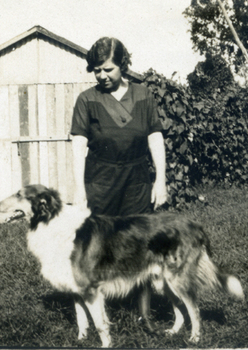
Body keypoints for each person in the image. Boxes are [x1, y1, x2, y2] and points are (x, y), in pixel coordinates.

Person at [70, 37, 167, 332]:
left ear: (122, 65)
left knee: (142, 246)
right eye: (96, 70)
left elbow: (155, 138)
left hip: (137, 179)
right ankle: (97, 313)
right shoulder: (87, 100)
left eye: (108, 69)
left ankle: (144, 314)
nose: (102, 76)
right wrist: (79, 189)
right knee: (96, 246)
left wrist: (160, 179)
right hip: (101, 179)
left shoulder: (143, 95)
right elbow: (78, 145)